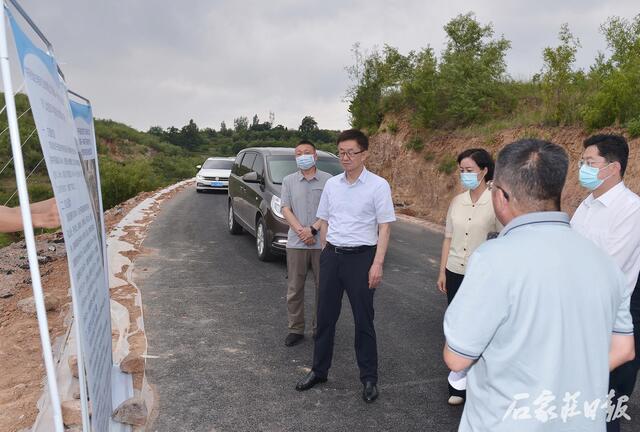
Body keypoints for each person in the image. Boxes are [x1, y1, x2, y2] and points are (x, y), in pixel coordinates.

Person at [443, 139, 635, 432]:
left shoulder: (493, 259)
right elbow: (624, 349)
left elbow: (456, 357)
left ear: (501, 197)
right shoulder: (605, 263)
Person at [295, 129, 396, 403]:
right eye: (341, 152)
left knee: (364, 320)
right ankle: (319, 371)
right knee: (325, 317)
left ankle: (369, 379)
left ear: (365, 154)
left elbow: (384, 228)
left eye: (351, 152)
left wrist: (377, 263)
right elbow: (324, 219)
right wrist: (328, 247)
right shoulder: (333, 184)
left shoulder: (378, 185)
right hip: (332, 257)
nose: (345, 157)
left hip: (362, 259)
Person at [570, 134, 640, 432]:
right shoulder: (586, 205)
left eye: (589, 163)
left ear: (613, 168)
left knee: (607, 402)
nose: (582, 168)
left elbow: (609, 267)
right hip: (578, 313)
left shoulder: (631, 209)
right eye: (582, 162)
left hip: (613, 318)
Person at [437, 148, 501, 406]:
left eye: (470, 170)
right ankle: (458, 383)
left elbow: (504, 239)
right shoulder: (457, 202)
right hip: (455, 271)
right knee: (458, 328)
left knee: (484, 328)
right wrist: (442, 270)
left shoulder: (497, 201)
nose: (464, 175)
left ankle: (484, 382)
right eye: (462, 171)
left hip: (483, 276)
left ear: (484, 171)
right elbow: (448, 237)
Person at [280, 140, 333, 347]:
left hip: (322, 243)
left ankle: (319, 329)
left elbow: (330, 210)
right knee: (294, 289)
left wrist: (313, 229)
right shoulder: (288, 181)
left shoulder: (329, 180)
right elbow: (285, 208)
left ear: (315, 156)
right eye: (299, 153)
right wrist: (302, 231)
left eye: (307, 152)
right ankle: (295, 329)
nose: (303, 156)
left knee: (324, 289)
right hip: (296, 242)